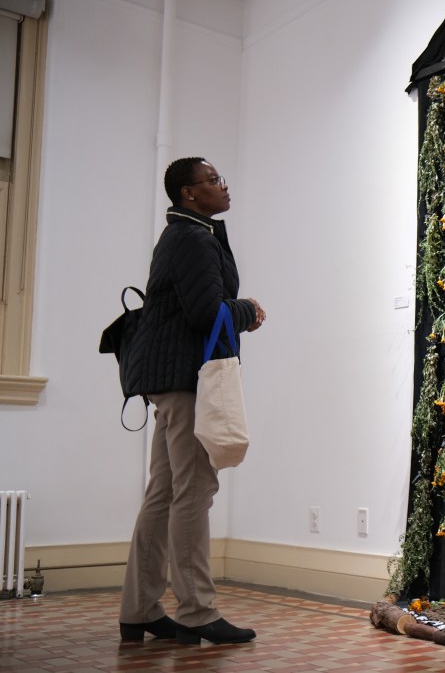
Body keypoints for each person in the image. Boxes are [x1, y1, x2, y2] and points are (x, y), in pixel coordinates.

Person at [119, 157, 264, 645]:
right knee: (195, 490)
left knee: (163, 492)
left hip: (167, 377)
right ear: (189, 193)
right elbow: (206, 313)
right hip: (185, 379)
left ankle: (139, 609)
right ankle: (197, 612)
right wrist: (247, 310)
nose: (224, 186)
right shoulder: (193, 238)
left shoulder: (182, 234)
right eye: (213, 180)